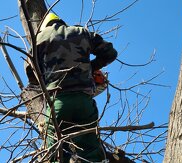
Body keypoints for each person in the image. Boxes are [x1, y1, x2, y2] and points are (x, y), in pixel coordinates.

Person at [25, 13, 117, 162]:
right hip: (84, 101)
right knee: (92, 152)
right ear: (61, 22)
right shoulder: (81, 32)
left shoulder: (38, 40)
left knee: (55, 154)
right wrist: (89, 68)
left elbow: (31, 74)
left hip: (58, 102)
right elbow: (110, 53)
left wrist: (47, 76)